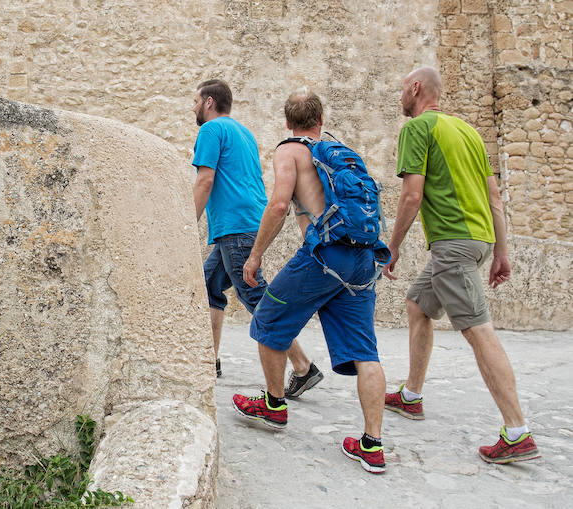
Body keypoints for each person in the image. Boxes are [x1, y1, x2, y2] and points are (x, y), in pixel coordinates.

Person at [382, 66, 540, 464]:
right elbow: (495, 198)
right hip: (478, 240)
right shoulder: (468, 132)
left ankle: (517, 432)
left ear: (415, 88)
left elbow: (411, 196)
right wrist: (500, 252)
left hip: (452, 244)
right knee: (418, 304)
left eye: (403, 87)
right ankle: (411, 395)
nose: (401, 94)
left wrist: (393, 246)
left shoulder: (417, 129)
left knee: (478, 331)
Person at [234, 91, 389, 474]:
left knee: (268, 317)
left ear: (288, 122)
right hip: (363, 259)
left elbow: (279, 205)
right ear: (321, 118)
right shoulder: (340, 152)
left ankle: (273, 406)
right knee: (365, 352)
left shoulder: (289, 151)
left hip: (325, 256)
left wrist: (255, 255)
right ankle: (371, 445)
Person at [192, 79, 322, 395]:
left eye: (195, 101)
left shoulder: (210, 131)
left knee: (257, 299)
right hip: (246, 223)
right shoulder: (244, 132)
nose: (193, 108)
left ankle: (304, 367)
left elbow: (205, 180)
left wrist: (186, 223)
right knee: (208, 285)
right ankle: (211, 360)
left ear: (209, 102)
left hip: (235, 228)